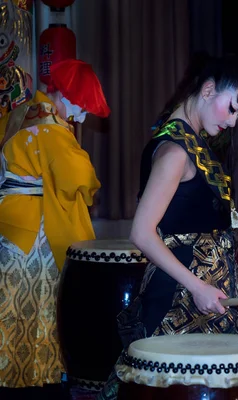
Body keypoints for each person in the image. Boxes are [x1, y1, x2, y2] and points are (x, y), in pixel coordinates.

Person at [96, 55, 238, 399]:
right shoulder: (175, 151)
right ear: (208, 90)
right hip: (185, 293)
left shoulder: (191, 140)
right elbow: (141, 233)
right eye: (232, 108)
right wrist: (199, 287)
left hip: (205, 284)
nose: (234, 122)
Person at [0, 59, 108, 396]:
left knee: (12, 311)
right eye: (81, 106)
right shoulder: (50, 127)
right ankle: (35, 380)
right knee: (41, 308)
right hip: (33, 236)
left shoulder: (20, 115)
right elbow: (79, 178)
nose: (82, 115)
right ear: (63, 95)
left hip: (11, 226)